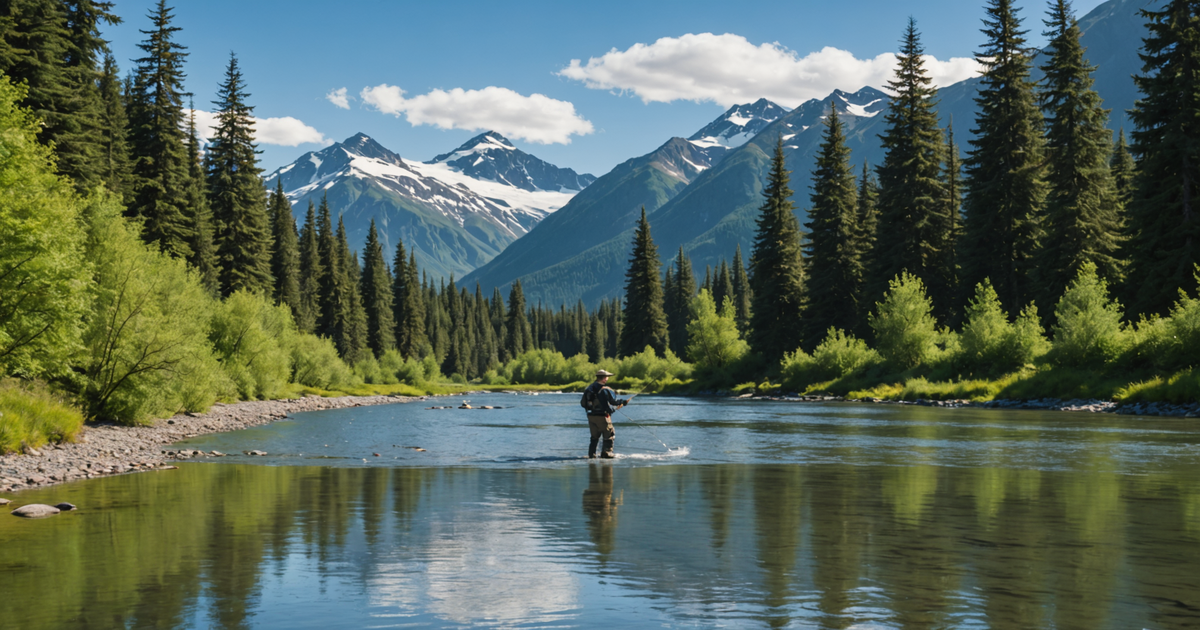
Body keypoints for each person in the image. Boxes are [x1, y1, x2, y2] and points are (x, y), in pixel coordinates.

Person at [581, 369, 628, 459]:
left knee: (594, 436)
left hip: (591, 416)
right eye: (607, 377)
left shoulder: (589, 389)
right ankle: (607, 453)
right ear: (604, 379)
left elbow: (583, 403)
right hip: (603, 417)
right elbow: (613, 402)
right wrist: (623, 402)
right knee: (609, 434)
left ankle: (592, 454)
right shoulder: (605, 390)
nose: (607, 379)